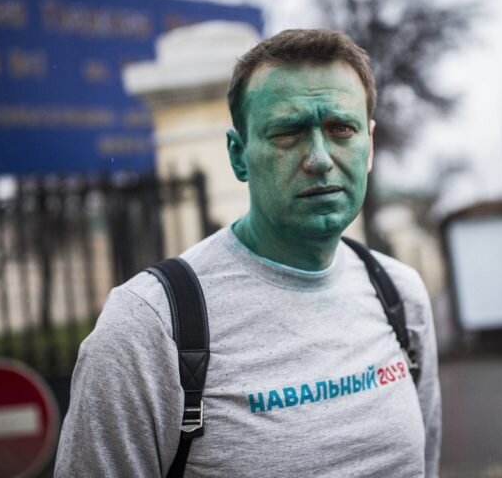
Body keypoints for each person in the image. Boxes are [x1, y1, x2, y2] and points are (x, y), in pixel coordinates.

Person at [55, 29, 442, 477]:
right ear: (239, 156)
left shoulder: (400, 296)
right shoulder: (148, 328)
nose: (319, 158)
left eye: (341, 129)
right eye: (288, 133)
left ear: (369, 146)